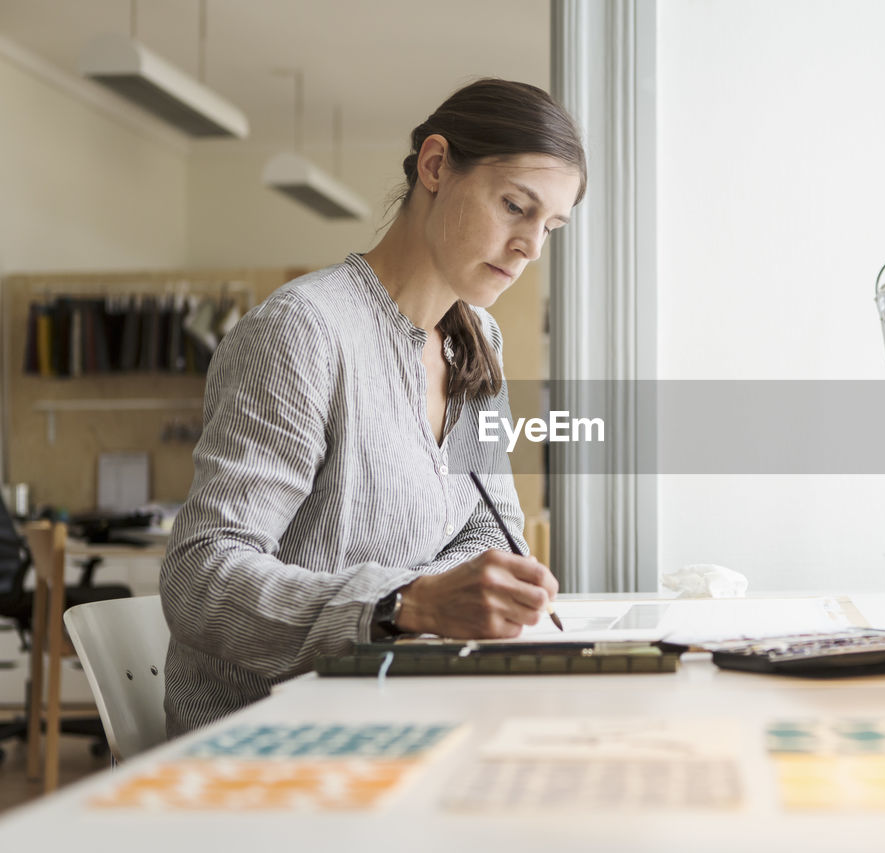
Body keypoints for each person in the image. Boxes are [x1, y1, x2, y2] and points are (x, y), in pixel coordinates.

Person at [160, 78, 586, 737]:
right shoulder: (304, 332)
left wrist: (454, 601)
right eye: (514, 207)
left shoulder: (478, 339)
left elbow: (486, 530)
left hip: (395, 709)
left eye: (549, 227)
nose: (531, 245)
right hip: (268, 739)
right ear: (437, 166)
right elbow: (201, 575)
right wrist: (408, 603)